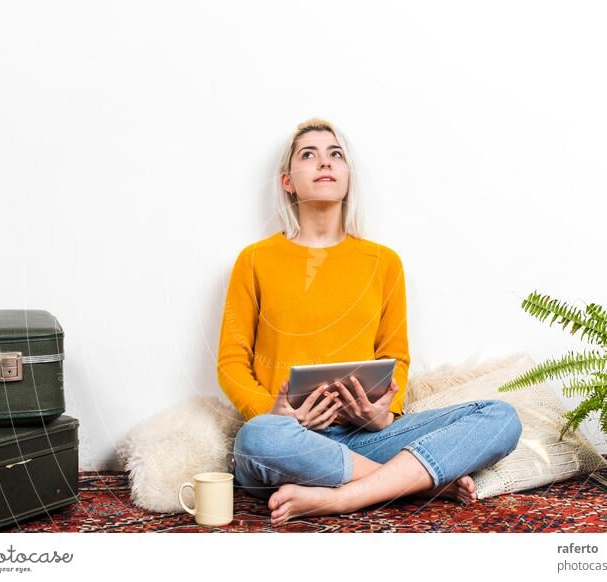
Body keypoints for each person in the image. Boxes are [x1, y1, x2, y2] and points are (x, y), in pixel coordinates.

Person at [216, 117, 522, 527]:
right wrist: (271, 412)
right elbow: (230, 362)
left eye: (335, 154)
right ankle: (417, 482)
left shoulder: (383, 263)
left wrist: (383, 414)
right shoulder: (254, 260)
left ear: (346, 176)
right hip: (288, 440)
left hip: (367, 436)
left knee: (501, 416)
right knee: (254, 440)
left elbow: (394, 355)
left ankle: (341, 498)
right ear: (288, 181)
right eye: (309, 154)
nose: (324, 162)